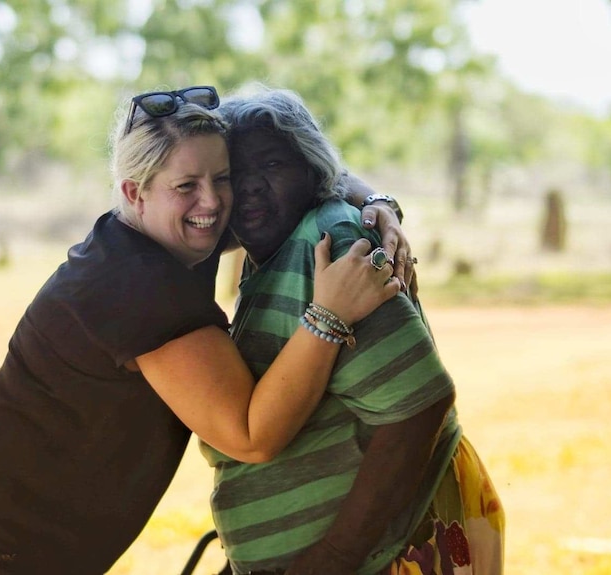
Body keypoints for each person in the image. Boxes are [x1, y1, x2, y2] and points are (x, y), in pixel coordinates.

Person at [0, 86, 406, 575]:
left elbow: (297, 163)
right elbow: (251, 435)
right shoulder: (136, 284)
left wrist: (377, 202)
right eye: (187, 186)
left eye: (222, 177)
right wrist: (329, 314)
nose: (214, 201)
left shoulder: (170, 235)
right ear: (135, 191)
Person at [200, 85, 505, 575]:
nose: (252, 185)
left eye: (273, 165)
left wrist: (334, 558)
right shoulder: (271, 251)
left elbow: (419, 407)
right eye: (236, 172)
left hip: (390, 552)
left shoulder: (332, 242)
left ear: (315, 173)